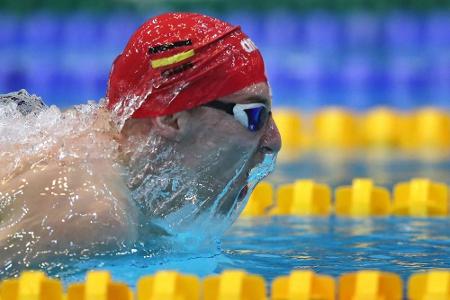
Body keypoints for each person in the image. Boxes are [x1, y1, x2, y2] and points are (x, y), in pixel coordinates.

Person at [0, 12, 281, 275]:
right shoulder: (91, 213)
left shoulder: (115, 172)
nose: (274, 140)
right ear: (171, 118)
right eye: (254, 115)